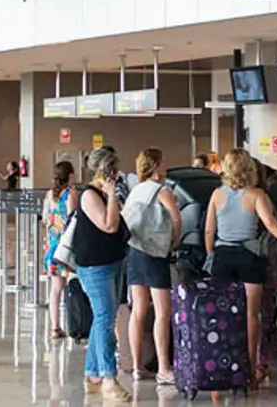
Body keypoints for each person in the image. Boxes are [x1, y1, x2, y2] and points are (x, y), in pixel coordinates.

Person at [208, 148, 277, 389]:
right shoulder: (256, 194)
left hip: (222, 257)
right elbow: (270, 223)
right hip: (248, 256)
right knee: (251, 315)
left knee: (223, 315)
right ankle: (248, 369)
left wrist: (211, 255)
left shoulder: (217, 195)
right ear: (248, 168)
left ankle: (222, 365)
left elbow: (209, 229)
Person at [123, 147, 182, 389]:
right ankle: (164, 368)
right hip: (155, 254)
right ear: (155, 166)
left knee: (138, 310)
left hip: (135, 252)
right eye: (162, 163)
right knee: (162, 312)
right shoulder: (162, 190)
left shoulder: (135, 190)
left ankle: (137, 367)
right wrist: (174, 242)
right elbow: (177, 219)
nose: (164, 166)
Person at [78, 146, 132, 401]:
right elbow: (109, 225)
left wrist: (112, 196)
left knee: (102, 319)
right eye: (112, 170)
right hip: (94, 266)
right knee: (105, 319)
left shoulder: (106, 193)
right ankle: (109, 377)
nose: (116, 175)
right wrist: (111, 196)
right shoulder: (89, 195)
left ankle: (92, 373)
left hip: (113, 261)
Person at [44, 161, 78, 340]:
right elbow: (73, 220)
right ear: (70, 175)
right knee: (75, 286)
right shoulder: (71, 194)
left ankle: (55, 327)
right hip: (67, 247)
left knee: (56, 289)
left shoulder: (51, 195)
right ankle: (77, 322)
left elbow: (47, 219)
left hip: (53, 245)